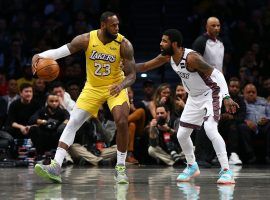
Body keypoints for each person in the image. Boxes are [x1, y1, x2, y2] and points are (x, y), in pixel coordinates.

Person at [32, 11, 136, 184]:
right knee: (73, 122)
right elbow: (60, 52)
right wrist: (41, 56)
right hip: (93, 88)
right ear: (103, 25)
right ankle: (56, 165)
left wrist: (122, 85)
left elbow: (132, 75)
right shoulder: (86, 39)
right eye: (113, 25)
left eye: (118, 24)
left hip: (115, 86)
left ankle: (120, 168)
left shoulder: (124, 44)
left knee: (122, 121)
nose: (117, 28)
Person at [136, 29, 239, 184]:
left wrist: (226, 96)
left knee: (210, 128)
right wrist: (125, 66)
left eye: (164, 41)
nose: (161, 43)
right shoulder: (167, 56)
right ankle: (192, 166)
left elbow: (216, 74)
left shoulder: (191, 58)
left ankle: (226, 171)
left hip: (211, 93)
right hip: (193, 98)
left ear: (175, 44)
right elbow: (144, 67)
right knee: (182, 134)